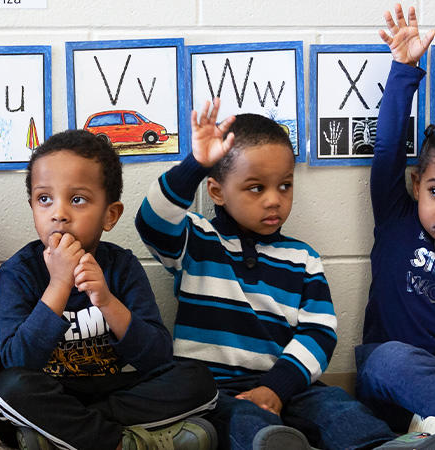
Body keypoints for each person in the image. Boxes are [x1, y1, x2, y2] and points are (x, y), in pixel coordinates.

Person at [134, 101, 404, 450]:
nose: (274, 200)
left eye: (285, 186)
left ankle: (387, 445)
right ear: (216, 191)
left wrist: (277, 387)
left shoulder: (303, 258)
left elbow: (319, 333)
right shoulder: (197, 240)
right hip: (214, 391)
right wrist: (195, 165)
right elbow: (151, 221)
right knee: (246, 423)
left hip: (289, 383)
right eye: (257, 188)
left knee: (339, 408)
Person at [0, 130, 219, 450]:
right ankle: (122, 442)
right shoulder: (19, 270)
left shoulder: (122, 266)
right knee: (7, 388)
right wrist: (59, 285)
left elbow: (158, 357)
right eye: (44, 199)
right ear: (32, 207)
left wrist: (107, 301)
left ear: (110, 215)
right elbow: (17, 361)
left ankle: (66, 435)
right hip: (50, 391)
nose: (59, 213)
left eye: (77, 199)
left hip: (117, 390)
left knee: (199, 381)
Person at [357, 3, 435, 441]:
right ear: (417, 184)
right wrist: (404, 69)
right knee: (391, 358)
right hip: (391, 380)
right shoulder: (396, 215)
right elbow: (386, 150)